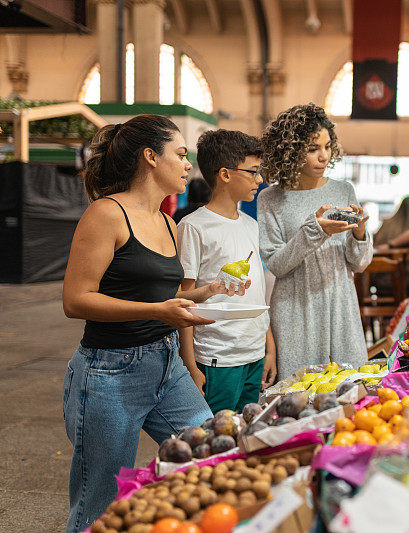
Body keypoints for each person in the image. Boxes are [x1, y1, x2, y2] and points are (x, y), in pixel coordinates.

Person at [61, 115, 245, 532]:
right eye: (180, 155)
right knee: (100, 505)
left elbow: (161, 297)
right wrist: (157, 311)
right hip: (109, 373)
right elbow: (76, 301)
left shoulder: (166, 220)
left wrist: (207, 291)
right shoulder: (106, 214)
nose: (187, 166)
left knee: (212, 458)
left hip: (166, 367)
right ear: (150, 157)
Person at [257, 103, 372, 378]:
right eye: (312, 149)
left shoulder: (344, 189)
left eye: (328, 146)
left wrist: (359, 234)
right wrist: (315, 230)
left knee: (350, 392)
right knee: (297, 397)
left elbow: (359, 264)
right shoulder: (271, 198)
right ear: (289, 150)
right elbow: (276, 265)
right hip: (296, 309)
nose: (323, 156)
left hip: (341, 305)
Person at [177, 129, 278, 413]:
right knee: (214, 434)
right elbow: (183, 301)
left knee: (245, 430)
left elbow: (257, 293)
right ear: (225, 174)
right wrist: (190, 364)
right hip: (217, 357)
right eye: (253, 171)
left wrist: (268, 347)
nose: (260, 179)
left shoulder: (251, 225)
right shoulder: (194, 227)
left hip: (254, 353)